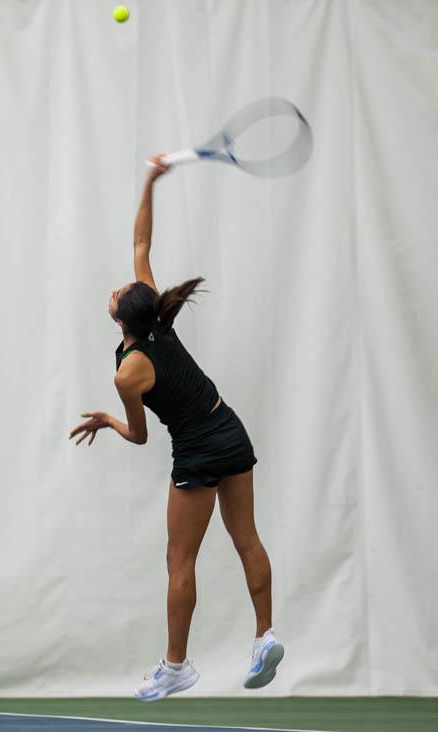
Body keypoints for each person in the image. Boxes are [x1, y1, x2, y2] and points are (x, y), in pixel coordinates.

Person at [69, 157, 283, 701]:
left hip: (196, 454)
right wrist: (148, 181)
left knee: (179, 560)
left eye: (118, 291)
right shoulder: (157, 317)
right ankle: (265, 636)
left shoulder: (127, 372)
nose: (120, 286)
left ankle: (176, 666)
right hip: (230, 428)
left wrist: (109, 419)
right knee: (246, 538)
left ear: (121, 318)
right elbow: (142, 243)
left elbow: (140, 436)